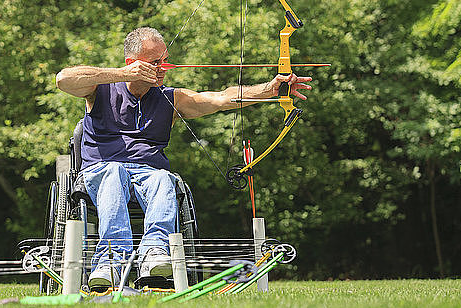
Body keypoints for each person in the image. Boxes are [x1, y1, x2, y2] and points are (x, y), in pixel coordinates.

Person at [55, 27, 312, 288]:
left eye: (164, 60)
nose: (163, 67)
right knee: (113, 173)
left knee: (164, 180)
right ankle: (111, 260)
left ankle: (154, 253)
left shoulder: (171, 98)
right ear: (133, 63)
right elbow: (63, 79)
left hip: (149, 173)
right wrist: (121, 75)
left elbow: (221, 98)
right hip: (102, 171)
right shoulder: (100, 89)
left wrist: (271, 89)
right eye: (155, 62)